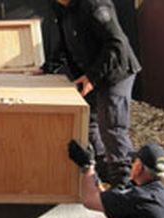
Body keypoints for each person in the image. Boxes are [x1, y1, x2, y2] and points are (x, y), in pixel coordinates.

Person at [44, 0, 142, 187]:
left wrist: (91, 77)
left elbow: (116, 43)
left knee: (112, 129)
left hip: (116, 72)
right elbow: (63, 43)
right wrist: (47, 67)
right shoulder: (61, 8)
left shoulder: (95, 4)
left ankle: (126, 186)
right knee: (87, 123)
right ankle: (105, 173)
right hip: (91, 73)